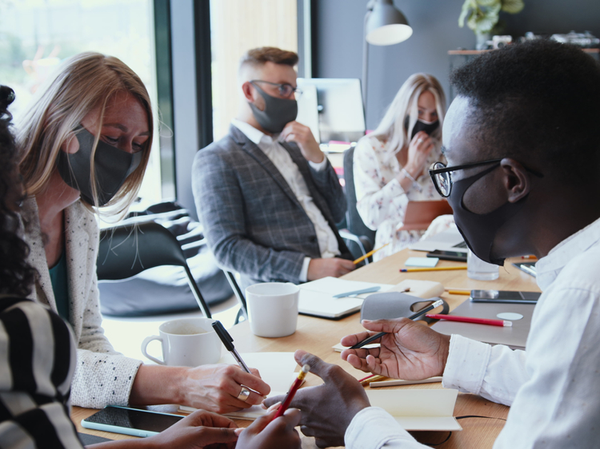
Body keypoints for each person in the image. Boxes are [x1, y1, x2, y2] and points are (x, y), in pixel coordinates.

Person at [265, 40, 600, 448]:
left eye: (455, 168)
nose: (449, 187)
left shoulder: (583, 296)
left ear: (512, 181)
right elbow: (563, 380)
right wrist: (445, 356)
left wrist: (356, 422)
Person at [1, 84, 303, 449]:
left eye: (139, 144)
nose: (126, 156)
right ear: (59, 126)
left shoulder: (79, 218)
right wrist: (180, 384)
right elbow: (42, 360)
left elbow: (88, 340)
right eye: (113, 137)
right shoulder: (10, 234)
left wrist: (158, 431)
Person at [192, 46, 355, 290]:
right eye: (282, 89)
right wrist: (307, 268)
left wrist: (317, 159)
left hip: (345, 273)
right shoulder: (217, 159)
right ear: (249, 91)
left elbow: (338, 211)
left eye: (293, 90)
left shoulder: (294, 145)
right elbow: (227, 248)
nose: (291, 98)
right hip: (287, 292)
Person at [353, 73, 448, 261]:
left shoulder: (439, 150)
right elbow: (371, 218)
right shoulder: (372, 148)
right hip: (395, 249)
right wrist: (411, 170)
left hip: (440, 244)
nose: (427, 121)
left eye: (434, 114)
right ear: (403, 109)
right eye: (420, 112)